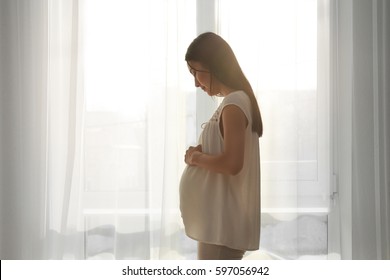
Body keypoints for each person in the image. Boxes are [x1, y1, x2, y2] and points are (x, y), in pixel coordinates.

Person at [179, 32, 263, 260]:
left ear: (216, 67)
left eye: (197, 73)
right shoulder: (235, 102)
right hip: (218, 226)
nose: (196, 83)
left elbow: (232, 163)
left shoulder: (234, 104)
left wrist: (194, 159)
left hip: (221, 228)